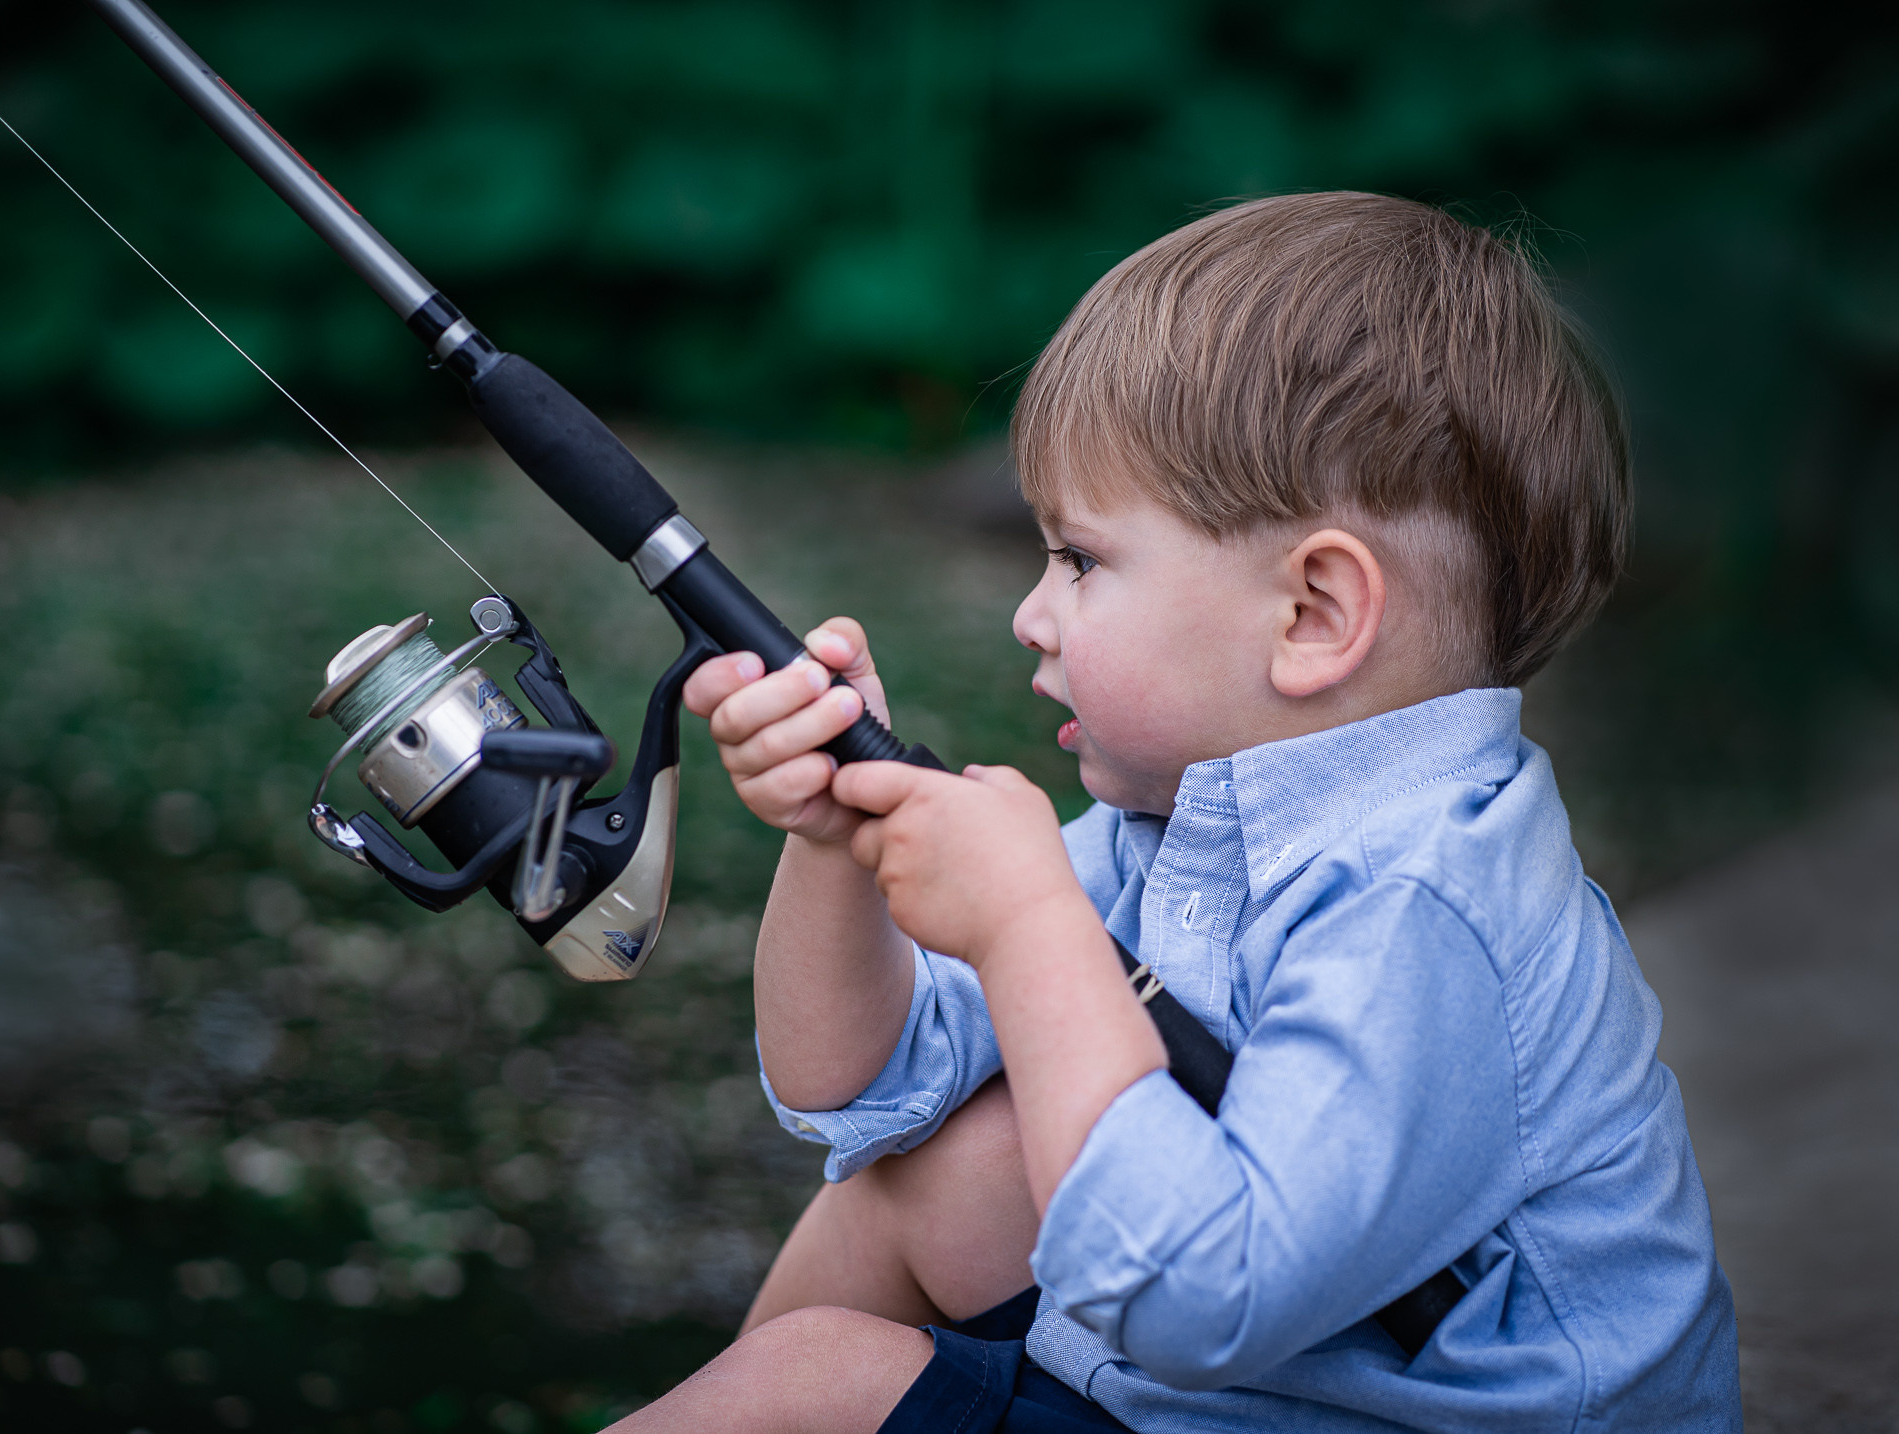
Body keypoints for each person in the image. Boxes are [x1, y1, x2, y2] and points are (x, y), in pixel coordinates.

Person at [613, 192, 1741, 1432]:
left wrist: (1029, 924)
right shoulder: (1194, 825)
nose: (1028, 618)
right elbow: (857, 1092)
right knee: (923, 1182)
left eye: (1080, 560)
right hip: (1252, 1384)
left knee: (813, 1384)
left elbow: (1206, 1301)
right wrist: (833, 843)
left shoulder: (1424, 912)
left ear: (1312, 615)